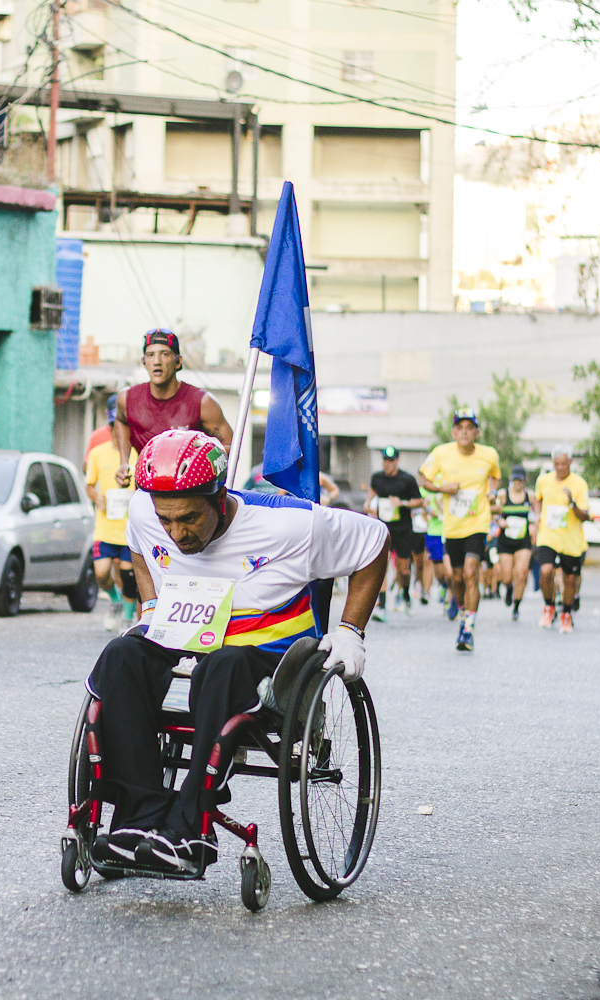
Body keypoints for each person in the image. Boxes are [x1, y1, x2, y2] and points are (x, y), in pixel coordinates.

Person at [85, 429, 389, 873]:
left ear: (218, 497)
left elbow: (374, 542)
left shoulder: (291, 525)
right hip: (186, 638)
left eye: (188, 519)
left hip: (265, 653)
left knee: (222, 668)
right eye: (166, 520)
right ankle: (140, 816)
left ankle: (190, 829)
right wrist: (150, 606)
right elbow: (138, 541)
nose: (175, 532)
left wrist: (349, 632)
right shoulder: (147, 511)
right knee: (119, 656)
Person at [420, 409, 501, 652]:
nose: (464, 432)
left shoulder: (489, 455)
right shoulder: (441, 453)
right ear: (454, 432)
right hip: (453, 527)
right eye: (460, 427)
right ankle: (463, 613)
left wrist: (493, 491)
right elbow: (423, 480)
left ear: (477, 432)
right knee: (455, 577)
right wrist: (443, 488)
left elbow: (495, 477)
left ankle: (468, 628)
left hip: (478, 525)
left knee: (470, 572)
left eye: (470, 428)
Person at [112, 330, 232, 488]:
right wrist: (124, 463)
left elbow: (230, 446)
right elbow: (121, 421)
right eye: (150, 355)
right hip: (145, 492)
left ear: (178, 361)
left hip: (189, 495)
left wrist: (198, 465)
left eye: (164, 354)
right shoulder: (127, 398)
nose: (156, 361)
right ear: (143, 361)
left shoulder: (203, 402)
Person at [85, 395, 137, 631]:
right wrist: (97, 498)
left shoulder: (139, 452)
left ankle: (127, 618)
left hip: (129, 530)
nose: (119, 429)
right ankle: (114, 601)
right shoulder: (98, 453)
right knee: (101, 572)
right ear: (109, 426)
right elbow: (89, 485)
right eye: (115, 424)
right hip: (105, 528)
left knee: (128, 576)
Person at [533, 446, 591, 633]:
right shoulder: (543, 480)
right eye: (556, 464)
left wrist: (572, 501)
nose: (559, 468)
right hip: (548, 535)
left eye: (563, 464)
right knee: (546, 571)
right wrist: (537, 515)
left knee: (569, 579)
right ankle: (549, 607)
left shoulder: (579, 484)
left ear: (571, 462)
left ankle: (566, 613)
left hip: (570, 538)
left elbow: (584, 515)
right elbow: (538, 499)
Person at [367, 446, 425, 621]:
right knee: (381, 567)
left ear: (397, 461)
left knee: (404, 570)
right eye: (385, 460)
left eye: (391, 461)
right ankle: (382, 605)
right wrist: (368, 504)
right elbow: (371, 494)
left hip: (403, 529)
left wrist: (403, 503)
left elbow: (419, 501)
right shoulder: (377, 478)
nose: (387, 464)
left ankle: (405, 593)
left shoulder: (407, 480)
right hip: (383, 528)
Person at [495, 466, 535, 621]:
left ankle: (516, 606)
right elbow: (493, 511)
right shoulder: (503, 495)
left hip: (522, 540)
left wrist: (533, 525)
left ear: (524, 480)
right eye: (515, 480)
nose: (517, 483)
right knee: (506, 576)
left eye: (520, 480)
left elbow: (537, 513)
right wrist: (500, 520)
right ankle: (509, 589)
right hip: (506, 540)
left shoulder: (530, 496)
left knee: (521, 572)